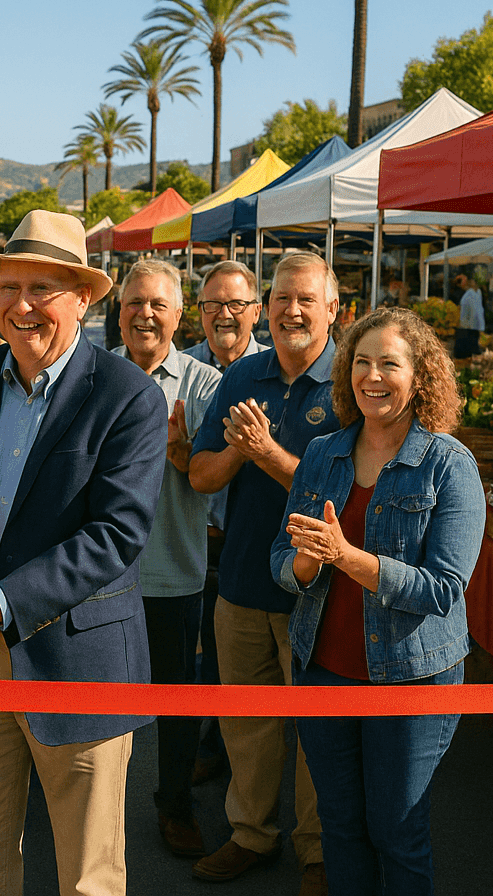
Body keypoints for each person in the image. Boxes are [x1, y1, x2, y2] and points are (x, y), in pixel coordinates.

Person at [0, 210, 166, 896]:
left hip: (80, 663)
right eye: (8, 287)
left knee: (89, 878)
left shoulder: (130, 396)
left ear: (82, 297)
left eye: (42, 288)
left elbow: (117, 536)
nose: (20, 305)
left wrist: (0, 602)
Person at [274, 306, 483, 895]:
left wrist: (346, 557)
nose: (373, 376)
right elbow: (280, 559)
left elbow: (444, 589)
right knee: (340, 828)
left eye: (389, 363)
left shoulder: (449, 464)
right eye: (361, 362)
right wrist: (305, 564)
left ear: (420, 376)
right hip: (323, 672)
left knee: (397, 832)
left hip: (412, 683)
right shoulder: (321, 453)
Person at [187, 252, 340, 894]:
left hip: (319, 592)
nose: (292, 310)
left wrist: (268, 454)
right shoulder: (244, 374)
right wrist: (236, 452)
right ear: (266, 308)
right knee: (247, 723)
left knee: (316, 733)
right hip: (245, 583)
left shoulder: (351, 382)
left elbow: (335, 491)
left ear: (335, 309)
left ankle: (318, 852)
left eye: (306, 299)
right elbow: (199, 476)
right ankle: (250, 834)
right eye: (281, 298)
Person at [112, 259, 222, 859]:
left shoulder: (203, 384)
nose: (145, 314)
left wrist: (182, 455)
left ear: (181, 316)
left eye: (158, 304)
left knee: (178, 705)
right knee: (97, 701)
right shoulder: (93, 373)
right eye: (134, 303)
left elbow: (207, 475)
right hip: (99, 578)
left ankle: (175, 805)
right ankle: (92, 804)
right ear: (119, 310)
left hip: (175, 572)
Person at [185, 261, 268, 782]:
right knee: (200, 658)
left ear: (256, 311)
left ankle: (226, 756)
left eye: (235, 304)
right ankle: (200, 747)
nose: (224, 315)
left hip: (248, 541)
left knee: (238, 664)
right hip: (195, 538)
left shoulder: (275, 370)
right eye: (213, 304)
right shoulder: (185, 370)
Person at [453, 273, 484, 358]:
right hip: (471, 328)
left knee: (465, 357)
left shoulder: (471, 294)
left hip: (467, 329)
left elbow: (476, 312)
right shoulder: (476, 293)